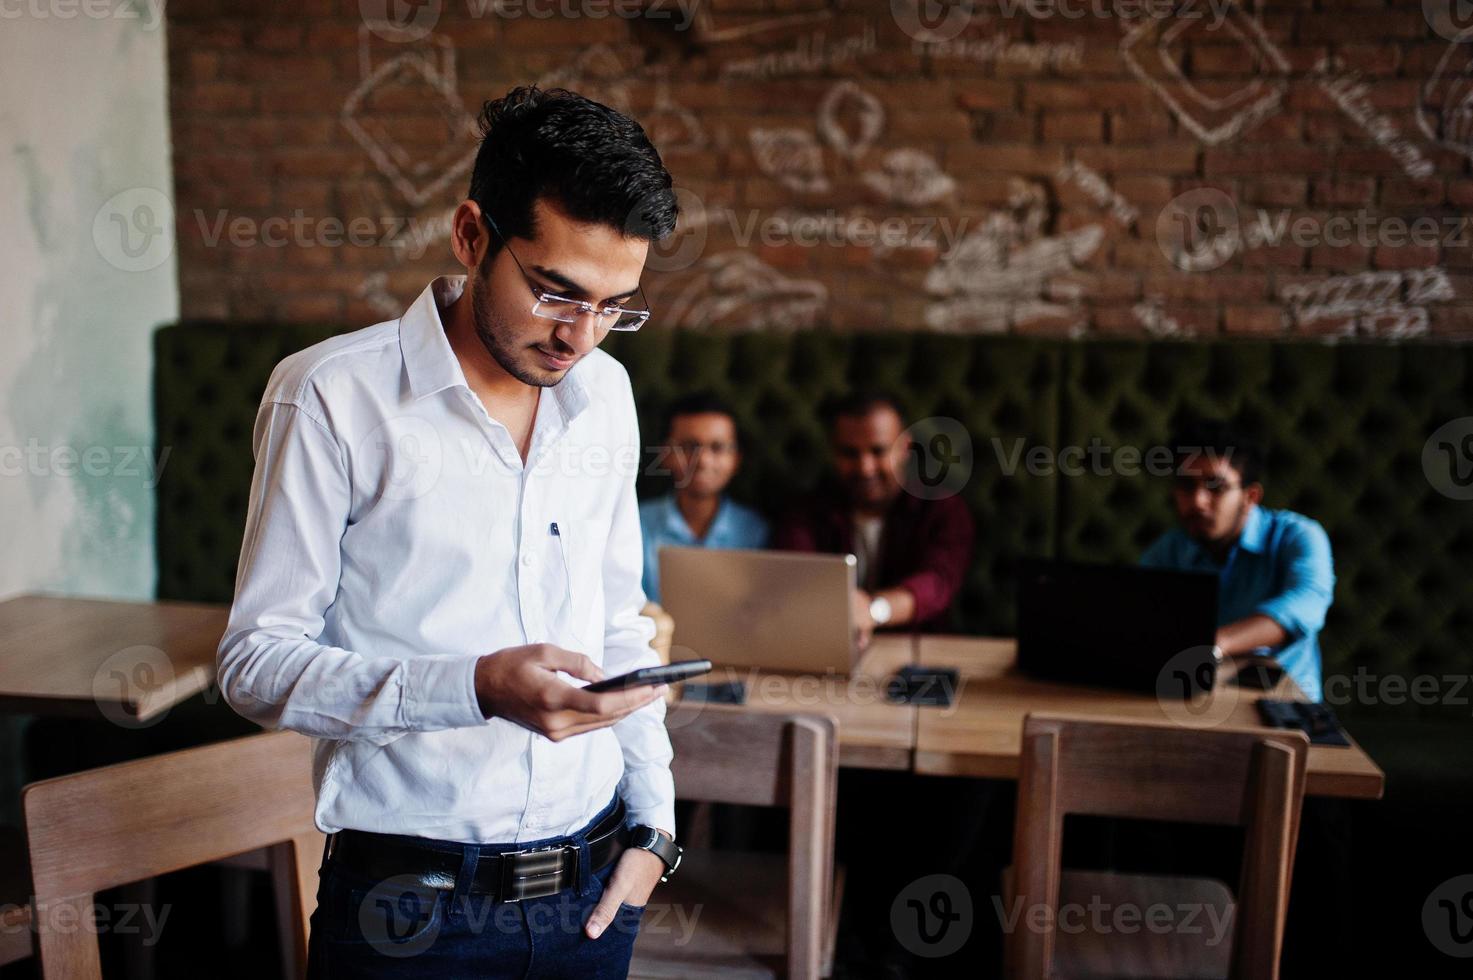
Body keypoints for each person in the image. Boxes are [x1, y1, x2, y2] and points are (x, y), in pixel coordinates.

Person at [217, 86, 687, 978]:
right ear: (472, 235)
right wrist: (471, 688)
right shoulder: (330, 396)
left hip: (592, 896)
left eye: (614, 306)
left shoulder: (607, 396)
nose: (580, 336)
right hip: (409, 912)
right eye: (556, 292)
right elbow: (254, 662)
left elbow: (617, 620)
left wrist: (655, 829)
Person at [1141, 420, 1335, 702]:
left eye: (1215, 487)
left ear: (1250, 496)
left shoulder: (1298, 536)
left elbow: (1305, 604)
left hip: (1284, 707)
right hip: (1191, 703)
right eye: (1186, 485)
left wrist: (1215, 644)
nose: (1197, 501)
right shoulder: (1167, 550)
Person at [774, 391, 974, 646]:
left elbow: (937, 583)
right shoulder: (806, 512)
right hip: (825, 649)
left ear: (905, 448)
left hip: (919, 653)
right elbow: (796, 573)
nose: (865, 467)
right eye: (850, 453)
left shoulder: (942, 509)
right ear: (834, 453)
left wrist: (873, 610)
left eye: (878, 451)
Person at [637, 391, 768, 603]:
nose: (704, 461)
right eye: (689, 447)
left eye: (718, 448)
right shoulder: (636, 525)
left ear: (736, 459)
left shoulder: (755, 530)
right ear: (666, 454)